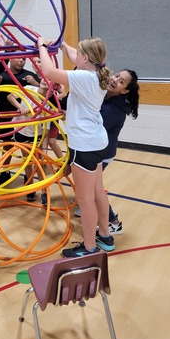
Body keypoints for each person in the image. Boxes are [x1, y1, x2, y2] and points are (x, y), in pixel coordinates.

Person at [38, 37, 114, 257]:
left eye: (79, 53)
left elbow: (50, 72)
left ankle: (89, 247)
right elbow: (74, 55)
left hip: (84, 144)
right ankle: (105, 236)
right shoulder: (99, 71)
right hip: (97, 141)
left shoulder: (83, 77)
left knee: (85, 199)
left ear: (86, 58)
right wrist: (61, 45)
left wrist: (42, 46)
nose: (74, 55)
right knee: (98, 191)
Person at [64, 69, 140, 235]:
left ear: (125, 90)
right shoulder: (107, 95)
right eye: (117, 75)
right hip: (98, 150)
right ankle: (90, 208)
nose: (115, 80)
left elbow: (88, 128)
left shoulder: (114, 110)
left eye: (121, 82)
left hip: (101, 153)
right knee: (90, 188)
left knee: (93, 190)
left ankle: (113, 222)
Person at [0, 57, 40, 185]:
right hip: (5, 116)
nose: (22, 61)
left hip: (24, 119)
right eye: (19, 58)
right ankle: (5, 173)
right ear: (11, 59)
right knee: (7, 147)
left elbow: (42, 93)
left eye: (24, 59)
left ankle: (29, 179)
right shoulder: (2, 75)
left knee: (26, 150)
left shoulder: (29, 76)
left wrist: (34, 83)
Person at [7, 77, 51, 204]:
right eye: (44, 78)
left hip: (36, 135)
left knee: (39, 164)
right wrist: (20, 106)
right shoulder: (29, 89)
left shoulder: (47, 103)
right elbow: (10, 96)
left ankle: (44, 192)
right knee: (28, 162)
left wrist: (45, 150)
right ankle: (30, 188)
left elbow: (46, 132)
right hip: (21, 131)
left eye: (49, 80)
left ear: (52, 86)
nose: (45, 80)